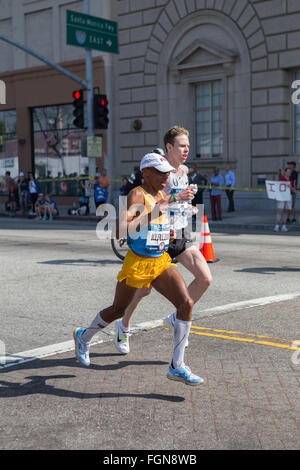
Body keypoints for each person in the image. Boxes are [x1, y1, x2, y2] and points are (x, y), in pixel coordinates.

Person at [73, 152, 204, 386]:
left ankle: (177, 365)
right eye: (162, 174)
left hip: (160, 260)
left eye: (168, 174)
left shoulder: (162, 194)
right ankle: (84, 336)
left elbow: (155, 224)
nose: (166, 178)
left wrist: (167, 233)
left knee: (186, 304)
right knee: (117, 310)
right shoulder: (137, 195)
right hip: (138, 263)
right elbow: (119, 230)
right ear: (146, 173)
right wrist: (155, 213)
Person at [114, 126, 212, 355]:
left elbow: (174, 204)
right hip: (156, 235)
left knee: (205, 278)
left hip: (178, 233)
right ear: (169, 147)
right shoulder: (160, 173)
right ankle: (123, 326)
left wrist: (185, 207)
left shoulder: (184, 170)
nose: (186, 150)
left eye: (188, 146)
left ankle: (176, 317)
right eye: (181, 146)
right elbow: (152, 201)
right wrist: (177, 197)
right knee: (142, 290)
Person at [274, 167, 294, 232]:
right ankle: (277, 226)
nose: (289, 173)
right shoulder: (281, 179)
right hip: (281, 197)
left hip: (288, 197)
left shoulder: (291, 180)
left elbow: (293, 190)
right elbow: (277, 188)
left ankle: (284, 226)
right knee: (279, 211)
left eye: (290, 172)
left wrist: (291, 187)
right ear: (285, 172)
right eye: (288, 172)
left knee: (286, 212)